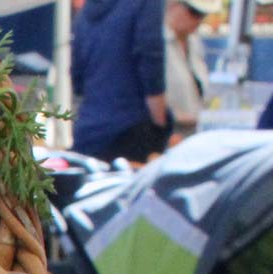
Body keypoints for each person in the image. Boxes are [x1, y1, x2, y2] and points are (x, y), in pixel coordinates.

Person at [72, 0, 170, 162]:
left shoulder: (86, 11)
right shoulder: (145, 4)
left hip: (87, 132)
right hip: (130, 131)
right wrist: (160, 127)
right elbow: (151, 65)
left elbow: (78, 81)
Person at [163, 0, 220, 142]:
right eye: (194, 12)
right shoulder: (156, 44)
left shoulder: (194, 43)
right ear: (173, 5)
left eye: (203, 15)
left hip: (194, 136)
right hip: (166, 136)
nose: (199, 20)